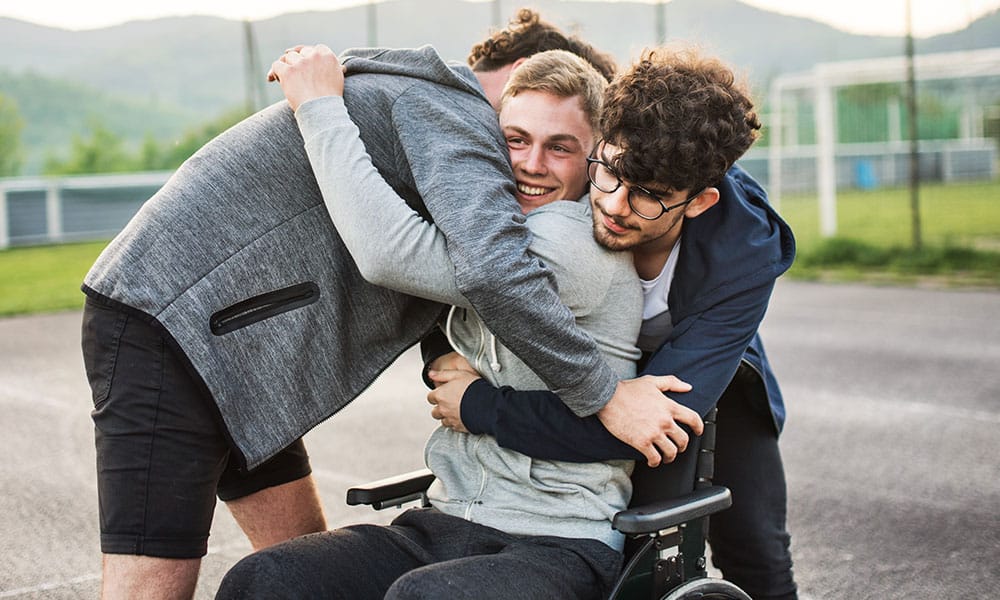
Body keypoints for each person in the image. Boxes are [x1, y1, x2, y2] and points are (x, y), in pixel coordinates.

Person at [79, 9, 698, 599]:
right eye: (514, 138)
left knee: (423, 596)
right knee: (265, 581)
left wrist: (321, 106)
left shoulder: (568, 241)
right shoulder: (461, 150)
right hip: (191, 319)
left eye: (560, 147)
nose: (528, 164)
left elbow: (427, 262)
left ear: (595, 159)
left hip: (558, 536)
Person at [427, 47, 799, 600]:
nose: (617, 207)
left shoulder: (743, 256)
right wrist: (444, 366)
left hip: (704, 382)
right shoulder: (573, 177)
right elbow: (457, 287)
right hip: (588, 375)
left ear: (698, 203)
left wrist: (480, 405)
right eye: (612, 173)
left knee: (754, 552)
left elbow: (648, 430)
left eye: (650, 198)